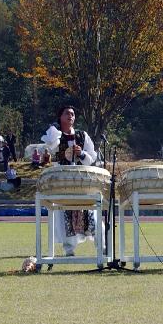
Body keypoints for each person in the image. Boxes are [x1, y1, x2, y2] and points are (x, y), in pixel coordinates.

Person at [41, 105, 99, 256]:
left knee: (90, 213)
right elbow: (49, 149)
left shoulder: (82, 135)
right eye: (67, 113)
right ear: (60, 117)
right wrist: (55, 131)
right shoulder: (55, 135)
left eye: (73, 114)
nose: (70, 116)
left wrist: (82, 154)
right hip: (63, 183)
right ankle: (69, 249)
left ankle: (101, 245)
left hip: (81, 182)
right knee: (63, 214)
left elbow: (92, 158)